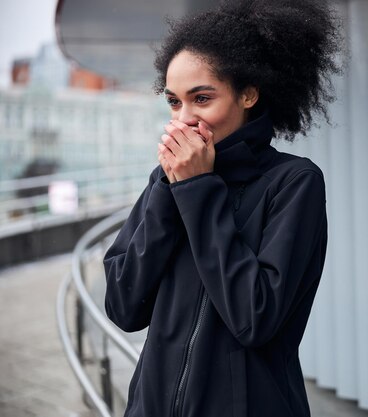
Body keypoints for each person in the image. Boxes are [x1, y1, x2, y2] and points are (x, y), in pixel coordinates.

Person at [102, 0, 342, 415]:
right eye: (175, 102)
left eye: (202, 98)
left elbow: (254, 318)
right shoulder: (164, 182)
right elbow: (123, 306)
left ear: (248, 94)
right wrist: (170, 188)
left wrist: (198, 189)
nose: (185, 119)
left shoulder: (294, 183)